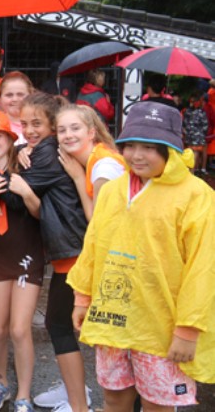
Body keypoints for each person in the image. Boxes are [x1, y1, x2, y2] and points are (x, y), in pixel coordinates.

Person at [68, 101, 215, 412]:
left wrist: (188, 330)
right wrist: (83, 298)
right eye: (130, 145)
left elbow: (204, 266)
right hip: (112, 317)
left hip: (163, 325)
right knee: (114, 398)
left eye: (149, 147)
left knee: (157, 404)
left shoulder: (196, 195)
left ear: (170, 149)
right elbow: (94, 244)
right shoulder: (113, 190)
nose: (137, 155)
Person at [17, 93, 92, 412]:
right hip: (72, 250)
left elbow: (13, 194)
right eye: (24, 124)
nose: (29, 130)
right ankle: (73, 389)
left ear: (51, 124)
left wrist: (7, 173)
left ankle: (79, 404)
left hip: (75, 253)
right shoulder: (43, 150)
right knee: (61, 323)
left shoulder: (48, 152)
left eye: (37, 123)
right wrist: (20, 151)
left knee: (61, 325)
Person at [0, 110, 43, 412]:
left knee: (19, 329)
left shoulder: (26, 164)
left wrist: (26, 193)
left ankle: (24, 394)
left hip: (27, 255)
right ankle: (1, 382)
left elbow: (40, 213)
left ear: (10, 139)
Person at [55, 104, 125, 223]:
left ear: (91, 133)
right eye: (62, 131)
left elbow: (97, 221)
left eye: (75, 128)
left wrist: (79, 177)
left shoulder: (105, 168)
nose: (68, 135)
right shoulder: (92, 159)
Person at [0, 71, 34, 145]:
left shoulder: (40, 124)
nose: (15, 99)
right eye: (9, 95)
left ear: (31, 95)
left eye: (20, 94)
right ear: (0, 98)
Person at [182, 91, 209, 174]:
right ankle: (192, 171)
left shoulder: (187, 111)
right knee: (194, 153)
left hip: (190, 135)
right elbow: (205, 126)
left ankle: (190, 170)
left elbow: (184, 123)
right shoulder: (201, 112)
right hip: (197, 136)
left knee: (190, 153)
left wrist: (186, 131)